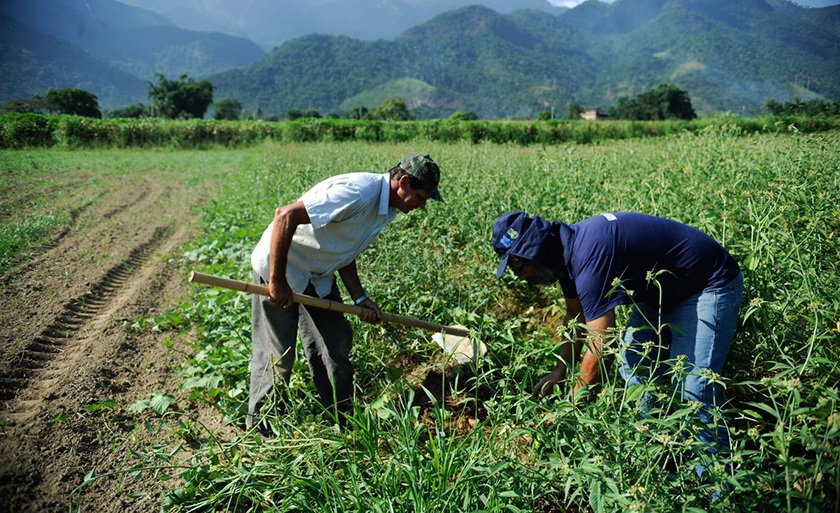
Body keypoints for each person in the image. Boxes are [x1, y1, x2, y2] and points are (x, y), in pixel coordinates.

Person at [491, 211, 743, 461]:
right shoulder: (563, 256)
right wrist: (560, 371)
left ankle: (715, 490)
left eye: (518, 266)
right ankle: (656, 455)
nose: (520, 277)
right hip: (658, 293)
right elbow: (575, 316)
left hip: (706, 284)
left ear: (534, 251)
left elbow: (601, 343)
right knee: (634, 370)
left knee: (692, 393)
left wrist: (568, 410)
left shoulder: (589, 253)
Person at [249, 154, 443, 430]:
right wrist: (276, 280)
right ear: (404, 182)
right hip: (280, 268)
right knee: (278, 354)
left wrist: (361, 298)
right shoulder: (359, 193)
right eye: (422, 197)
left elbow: (345, 249)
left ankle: (343, 420)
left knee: (334, 345)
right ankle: (261, 428)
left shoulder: (385, 209)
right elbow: (285, 215)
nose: (422, 206)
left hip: (317, 275)